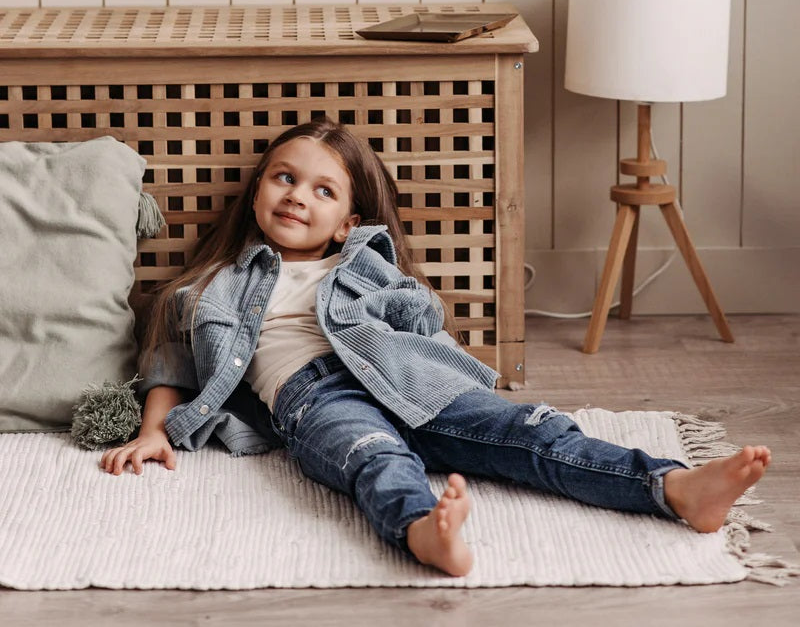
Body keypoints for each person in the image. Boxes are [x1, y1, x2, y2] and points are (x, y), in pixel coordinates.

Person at [101, 118, 771, 576]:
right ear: (255, 192)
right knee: (373, 455)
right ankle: (426, 531)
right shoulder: (213, 286)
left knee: (528, 430)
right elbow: (172, 361)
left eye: (323, 190)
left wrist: (382, 276)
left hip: (408, 376)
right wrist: (157, 430)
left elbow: (421, 323)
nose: (297, 195)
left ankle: (673, 487)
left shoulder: (360, 264)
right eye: (283, 177)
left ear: (347, 223)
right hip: (311, 393)